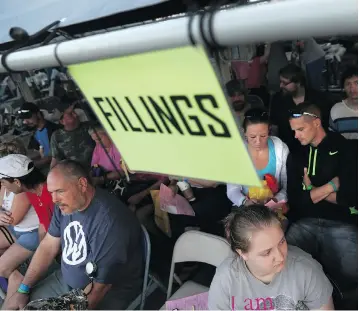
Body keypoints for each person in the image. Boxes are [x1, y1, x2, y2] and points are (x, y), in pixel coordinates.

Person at [3, 160, 144, 310]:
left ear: (82, 184)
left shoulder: (110, 222)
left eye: (60, 191)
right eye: (51, 192)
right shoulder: (65, 206)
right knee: (17, 307)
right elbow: (48, 246)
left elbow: (99, 289)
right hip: (66, 281)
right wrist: (23, 289)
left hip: (106, 293)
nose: (54, 199)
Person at [286, 102, 358, 295]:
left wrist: (310, 191)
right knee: (284, 267)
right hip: (304, 222)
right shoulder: (296, 153)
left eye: (300, 129)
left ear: (317, 123)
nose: (296, 135)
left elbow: (351, 197)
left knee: (354, 274)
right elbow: (295, 199)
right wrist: (330, 186)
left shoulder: (345, 148)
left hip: (341, 223)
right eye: (294, 130)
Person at [208, 205, 334, 310]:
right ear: (242, 253)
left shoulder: (306, 270)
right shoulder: (226, 279)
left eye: (282, 242)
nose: (280, 256)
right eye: (267, 252)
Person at [227, 108, 289, 208]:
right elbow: (232, 189)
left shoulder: (280, 149)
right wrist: (244, 202)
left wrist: (273, 201)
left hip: (275, 206)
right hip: (245, 207)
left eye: (263, 135)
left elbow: (288, 187)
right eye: (252, 137)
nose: (258, 141)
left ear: (269, 130)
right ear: (244, 132)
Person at [270, 64, 333, 153]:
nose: (281, 86)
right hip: (287, 150)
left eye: (285, 83)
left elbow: (325, 127)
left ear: (298, 83)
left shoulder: (319, 99)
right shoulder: (277, 100)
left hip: (315, 149)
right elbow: (274, 127)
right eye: (280, 82)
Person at [0, 143, 39, 280]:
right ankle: (18, 266)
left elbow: (12, 219)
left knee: (2, 268)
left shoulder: (21, 188)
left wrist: (2, 215)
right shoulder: (6, 184)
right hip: (16, 230)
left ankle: (23, 279)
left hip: (31, 233)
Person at [50, 103, 95, 169]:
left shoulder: (88, 127)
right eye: (71, 114)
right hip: (75, 172)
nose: (76, 115)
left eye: (75, 112)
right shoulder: (56, 136)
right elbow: (55, 159)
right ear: (62, 121)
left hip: (96, 167)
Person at [17, 101, 61, 168]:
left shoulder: (53, 130)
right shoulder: (35, 132)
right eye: (24, 119)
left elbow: (54, 156)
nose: (25, 122)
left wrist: (30, 165)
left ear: (38, 114)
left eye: (28, 118)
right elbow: (36, 151)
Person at [329, 66, 358, 139]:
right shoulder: (336, 110)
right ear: (344, 88)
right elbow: (332, 139)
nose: (352, 88)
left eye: (357, 83)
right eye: (348, 84)